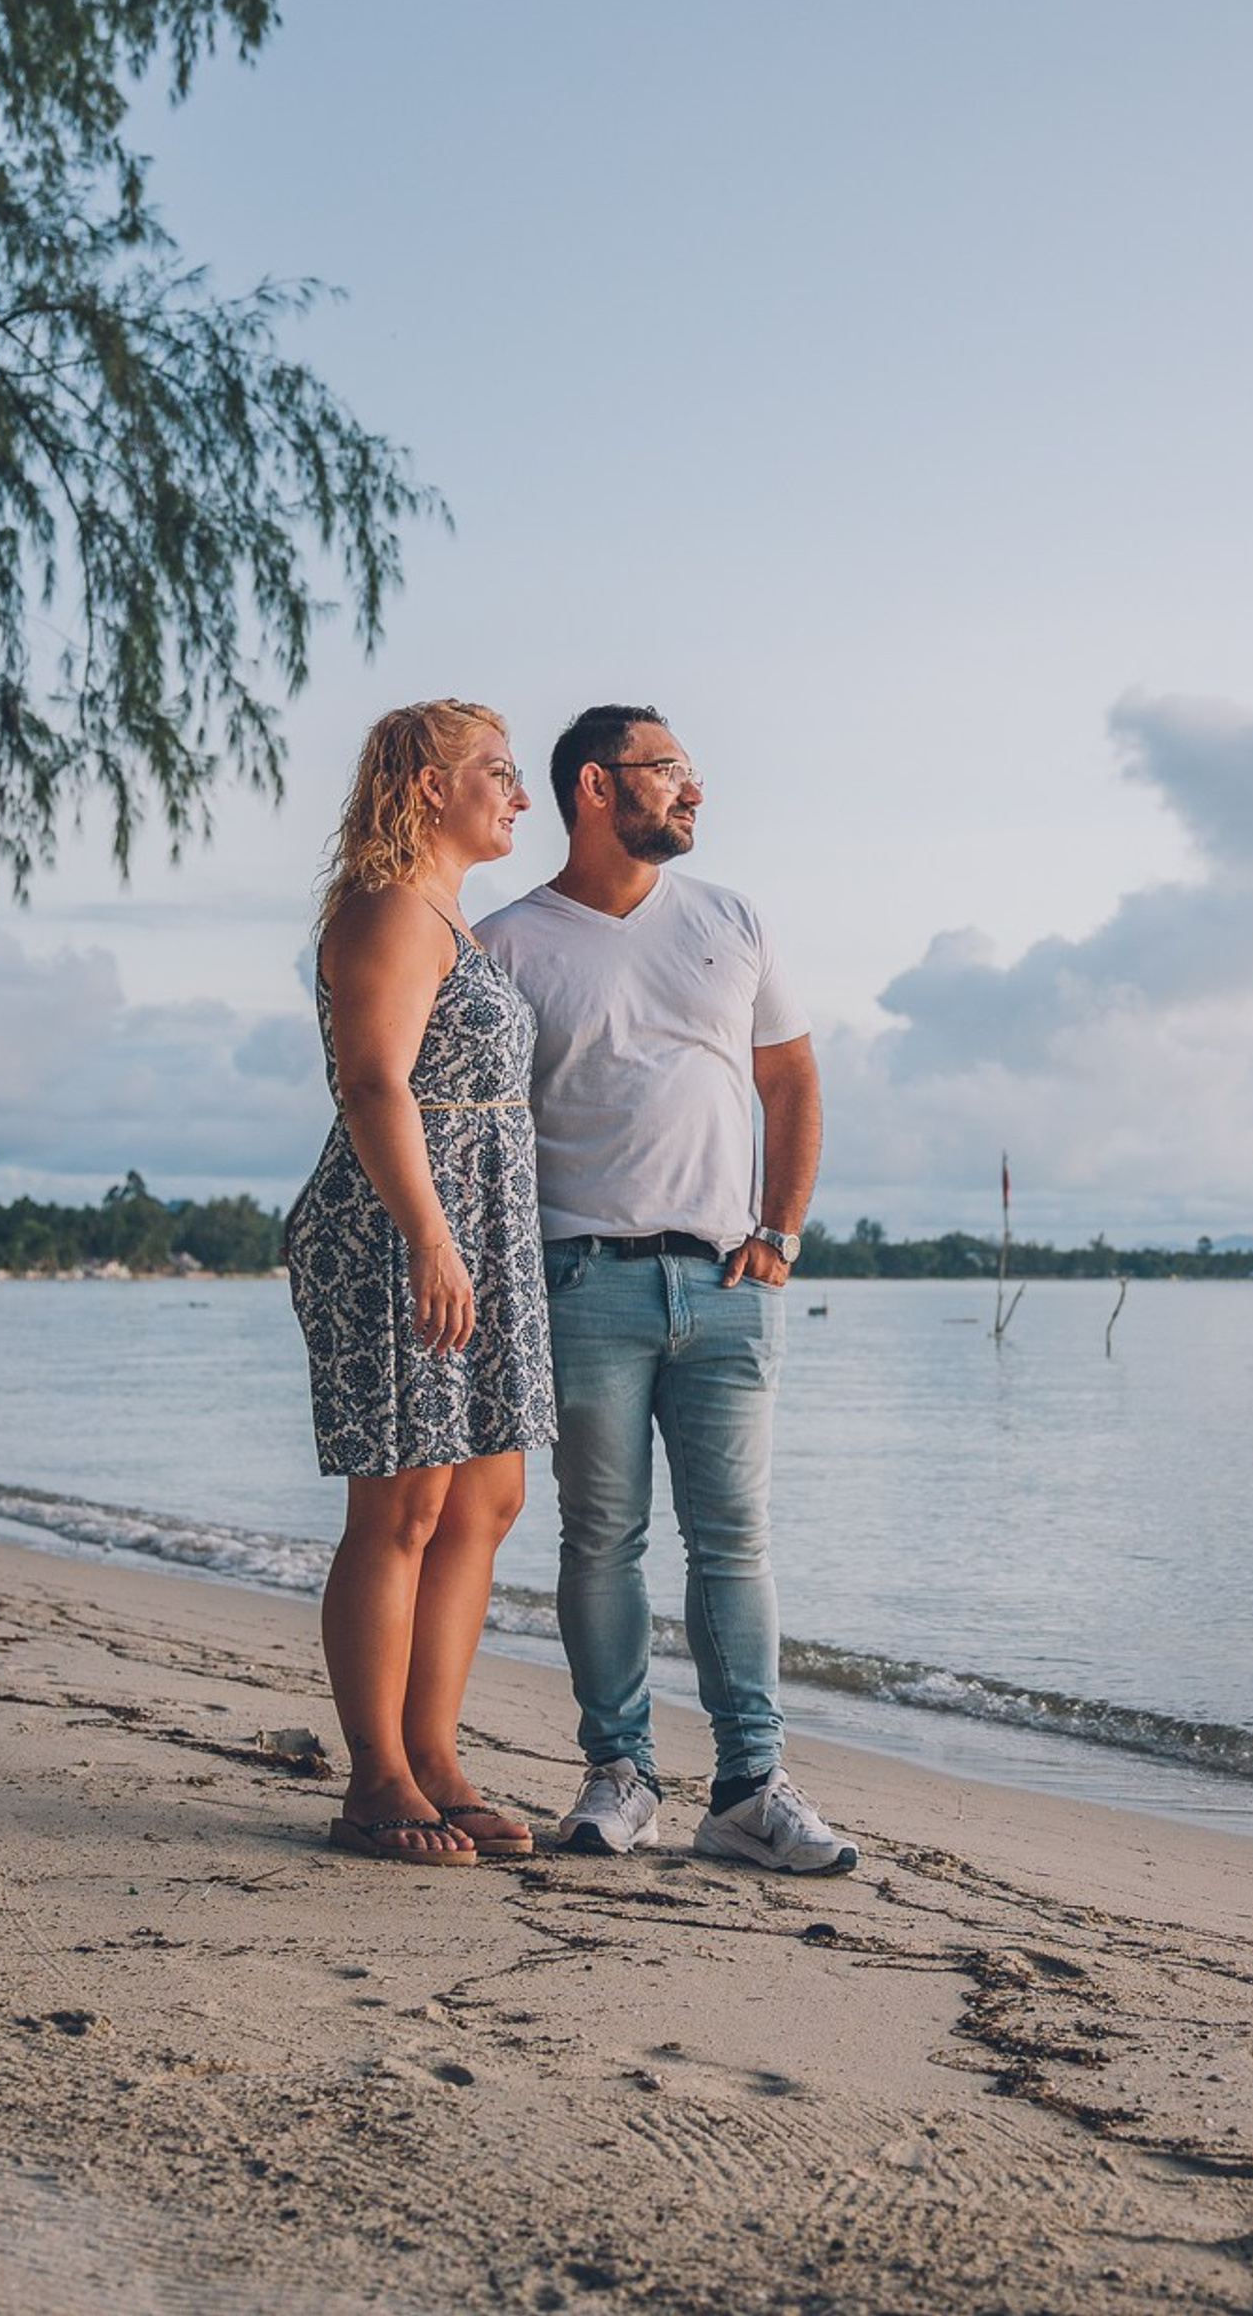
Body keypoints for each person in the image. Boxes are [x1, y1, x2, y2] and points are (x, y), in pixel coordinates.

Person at [479, 703, 852, 1872]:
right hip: (578, 1277)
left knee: (735, 1541)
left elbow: (789, 1082)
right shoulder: (504, 944)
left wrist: (780, 1235)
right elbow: (479, 1136)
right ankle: (619, 1772)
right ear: (598, 787)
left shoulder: (730, 917)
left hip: (729, 1281)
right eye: (670, 772)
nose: (693, 793)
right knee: (600, 1540)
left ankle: (749, 1786)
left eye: (691, 774)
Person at [283, 700, 557, 1866]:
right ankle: (377, 1778)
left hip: (479, 1230)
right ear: (428, 785)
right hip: (407, 1230)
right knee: (399, 1508)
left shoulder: (449, 912)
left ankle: (435, 1754)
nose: (519, 792)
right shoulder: (390, 908)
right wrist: (434, 1242)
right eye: (497, 771)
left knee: (486, 1499)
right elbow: (376, 1085)